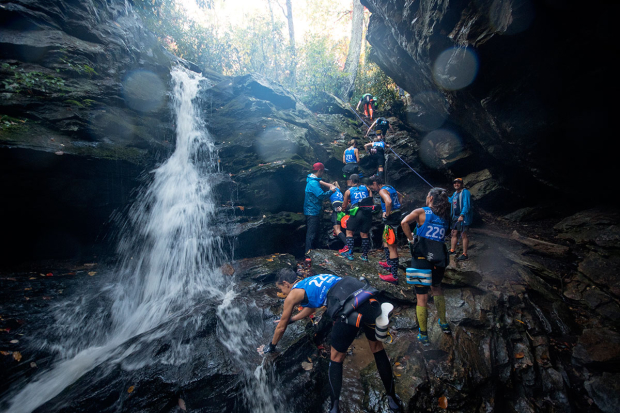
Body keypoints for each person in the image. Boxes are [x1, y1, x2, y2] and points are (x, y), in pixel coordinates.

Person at [259, 269, 401, 413]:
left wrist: (271, 346)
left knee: (336, 358)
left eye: (280, 289)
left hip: (349, 307)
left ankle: (334, 408)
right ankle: (393, 400)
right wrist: (292, 319)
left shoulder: (293, 295)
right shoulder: (309, 282)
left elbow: (281, 327)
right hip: (365, 294)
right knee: (377, 348)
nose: (282, 293)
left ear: (286, 283)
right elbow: (311, 309)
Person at [400, 187, 452, 345]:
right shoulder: (446, 216)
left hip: (421, 259)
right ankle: (444, 323)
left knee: (421, 296)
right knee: (437, 288)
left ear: (430, 198)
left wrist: (411, 239)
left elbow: (404, 222)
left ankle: (423, 335)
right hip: (438, 259)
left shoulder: (421, 212)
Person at [369, 175, 403, 285]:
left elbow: (388, 201)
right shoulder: (390, 187)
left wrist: (387, 214)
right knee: (385, 239)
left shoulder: (382, 190)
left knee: (392, 245)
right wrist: (398, 207)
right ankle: (389, 263)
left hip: (391, 219)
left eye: (372, 186)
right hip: (396, 216)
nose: (373, 189)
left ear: (375, 183)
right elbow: (399, 195)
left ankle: (394, 275)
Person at [304, 162, 336, 255]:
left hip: (312, 210)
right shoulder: (313, 183)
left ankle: (312, 252)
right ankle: (308, 254)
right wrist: (331, 191)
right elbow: (321, 195)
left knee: (314, 233)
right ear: (319, 171)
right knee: (311, 234)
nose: (323, 173)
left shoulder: (313, 180)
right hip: (312, 211)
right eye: (323, 171)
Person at [341, 174, 374, 262]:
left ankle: (350, 254)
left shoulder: (348, 191)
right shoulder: (367, 188)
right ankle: (365, 256)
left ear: (351, 181)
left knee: (349, 232)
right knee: (364, 234)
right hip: (367, 213)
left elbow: (344, 205)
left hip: (356, 212)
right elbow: (372, 201)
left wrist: (343, 210)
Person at [449, 178, 473, 261]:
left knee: (463, 234)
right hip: (455, 216)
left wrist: (462, 215)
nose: (456, 184)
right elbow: (451, 201)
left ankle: (465, 254)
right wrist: (443, 195)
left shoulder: (465, 192)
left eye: (458, 183)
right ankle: (452, 250)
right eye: (455, 183)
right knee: (454, 233)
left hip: (463, 216)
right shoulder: (455, 193)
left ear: (462, 184)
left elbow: (467, 205)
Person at [329, 182, 349, 254]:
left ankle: (348, 245)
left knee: (337, 230)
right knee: (341, 228)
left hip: (337, 211)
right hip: (343, 211)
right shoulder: (340, 193)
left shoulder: (332, 191)